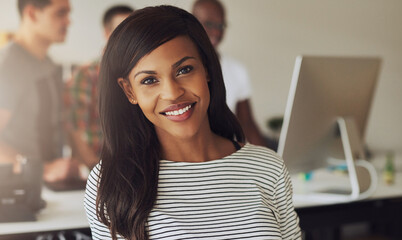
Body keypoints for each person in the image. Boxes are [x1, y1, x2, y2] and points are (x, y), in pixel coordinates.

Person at [84, 5, 301, 240]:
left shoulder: (268, 168)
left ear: (206, 68)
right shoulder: (113, 182)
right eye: (149, 80)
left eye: (184, 70)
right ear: (129, 91)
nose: (172, 93)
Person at [0, 0, 77, 183]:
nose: (69, 21)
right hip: (17, 188)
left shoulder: (49, 64)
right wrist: (44, 169)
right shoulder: (8, 66)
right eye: (60, 13)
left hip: (48, 187)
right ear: (32, 14)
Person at [65, 5, 133, 170]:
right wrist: (98, 172)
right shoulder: (86, 74)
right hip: (97, 171)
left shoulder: (139, 73)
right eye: (120, 30)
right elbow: (76, 130)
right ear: (107, 33)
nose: (128, 37)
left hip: (133, 169)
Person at [192, 0, 267, 147]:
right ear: (192, 22)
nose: (217, 32)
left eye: (221, 26)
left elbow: (247, 124)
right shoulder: (181, 68)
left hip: (226, 150)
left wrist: (273, 161)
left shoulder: (238, 70)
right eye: (209, 24)